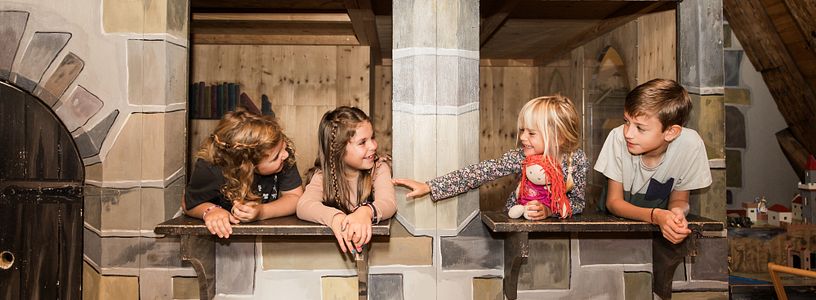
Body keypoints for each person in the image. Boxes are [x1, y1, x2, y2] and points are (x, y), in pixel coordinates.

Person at [593, 78, 711, 299]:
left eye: (640, 127)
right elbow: (614, 202)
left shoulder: (691, 145)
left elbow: (679, 199)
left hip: (655, 227)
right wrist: (657, 216)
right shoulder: (617, 139)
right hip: (612, 225)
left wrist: (676, 215)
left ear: (671, 132)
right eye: (626, 121)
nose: (628, 132)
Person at [393, 95, 588, 219]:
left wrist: (549, 211)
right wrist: (430, 186)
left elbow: (577, 203)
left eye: (531, 133)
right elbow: (480, 172)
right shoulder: (521, 157)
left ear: (559, 137)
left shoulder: (575, 161)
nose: (522, 138)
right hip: (515, 222)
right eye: (522, 131)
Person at [183, 108, 304, 239]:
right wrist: (210, 211)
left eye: (284, 147)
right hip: (223, 238)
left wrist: (262, 212)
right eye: (275, 157)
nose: (285, 155)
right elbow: (188, 204)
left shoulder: (281, 154)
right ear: (247, 165)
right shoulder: (210, 167)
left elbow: (295, 197)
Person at [297, 106, 396, 254]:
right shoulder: (323, 176)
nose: (373, 146)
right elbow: (303, 206)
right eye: (362, 142)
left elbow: (389, 203)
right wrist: (335, 218)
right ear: (338, 150)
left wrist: (365, 212)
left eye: (372, 138)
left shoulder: (379, 169)